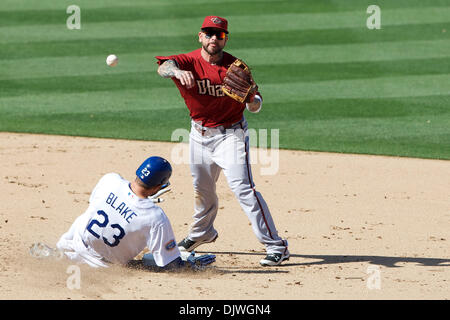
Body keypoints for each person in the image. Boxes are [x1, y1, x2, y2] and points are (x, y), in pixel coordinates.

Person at [155, 16, 289, 266]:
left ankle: (276, 245)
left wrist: (251, 100)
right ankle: (201, 233)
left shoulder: (235, 66)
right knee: (202, 189)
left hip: (231, 136)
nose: (214, 38)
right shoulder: (188, 61)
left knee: (243, 188)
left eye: (220, 35)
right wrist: (176, 71)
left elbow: (256, 104)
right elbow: (163, 67)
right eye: (209, 33)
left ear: (226, 38)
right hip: (198, 135)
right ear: (200, 36)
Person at [30, 156, 215, 271]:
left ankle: (62, 255)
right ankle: (72, 261)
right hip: (99, 266)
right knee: (145, 256)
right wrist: (192, 264)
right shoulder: (155, 217)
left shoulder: (110, 180)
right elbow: (170, 264)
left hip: (71, 242)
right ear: (158, 186)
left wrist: (133, 203)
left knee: (88, 215)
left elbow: (101, 203)